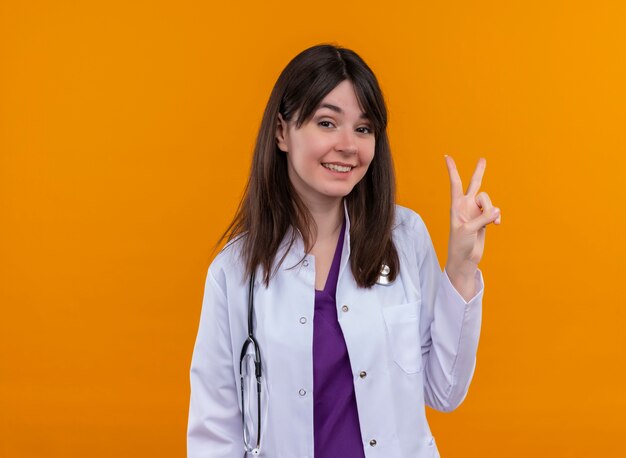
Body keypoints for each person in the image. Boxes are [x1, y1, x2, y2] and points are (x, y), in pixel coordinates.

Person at [187, 44, 501, 458]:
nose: (348, 145)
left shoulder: (404, 237)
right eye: (327, 122)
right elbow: (214, 435)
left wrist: (461, 266)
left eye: (364, 128)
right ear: (282, 132)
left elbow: (444, 391)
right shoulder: (234, 271)